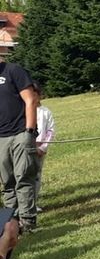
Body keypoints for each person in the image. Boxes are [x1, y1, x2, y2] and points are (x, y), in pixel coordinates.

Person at [0, 61, 39, 232]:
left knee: (23, 178)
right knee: (7, 183)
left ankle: (27, 222)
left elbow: (30, 100)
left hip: (20, 134)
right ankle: (10, 223)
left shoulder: (13, 71)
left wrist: (29, 131)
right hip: (1, 138)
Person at [32, 81, 54, 212]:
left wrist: (43, 147)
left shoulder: (46, 112)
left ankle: (33, 203)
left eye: (34, 95)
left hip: (39, 150)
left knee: (36, 176)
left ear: (39, 95)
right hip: (26, 147)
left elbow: (50, 131)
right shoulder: (23, 110)